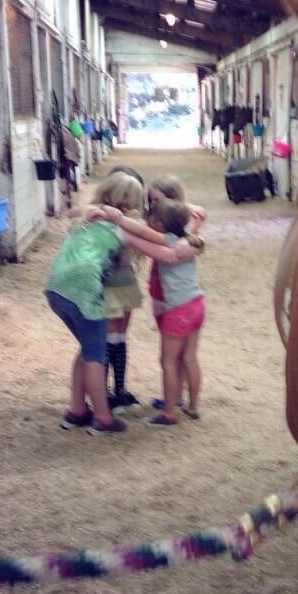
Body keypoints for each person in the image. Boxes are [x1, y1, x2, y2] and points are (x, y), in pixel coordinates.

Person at [44, 172, 202, 435]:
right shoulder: (120, 226)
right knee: (96, 354)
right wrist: (194, 242)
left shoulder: (87, 218)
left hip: (55, 288)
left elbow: (73, 212)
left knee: (86, 349)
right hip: (85, 289)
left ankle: (76, 410)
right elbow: (167, 251)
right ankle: (104, 418)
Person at [141, 198, 205, 427]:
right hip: (196, 302)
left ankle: (168, 413)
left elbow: (141, 240)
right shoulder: (187, 235)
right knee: (189, 357)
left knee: (167, 360)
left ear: (158, 223)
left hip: (178, 309)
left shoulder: (167, 241)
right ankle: (193, 405)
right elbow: (197, 217)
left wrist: (118, 221)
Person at [102, 166, 146, 412]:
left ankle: (119, 388)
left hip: (125, 283)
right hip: (108, 286)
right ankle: (105, 391)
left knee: (119, 337)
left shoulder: (128, 222)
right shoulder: (103, 221)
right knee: (109, 339)